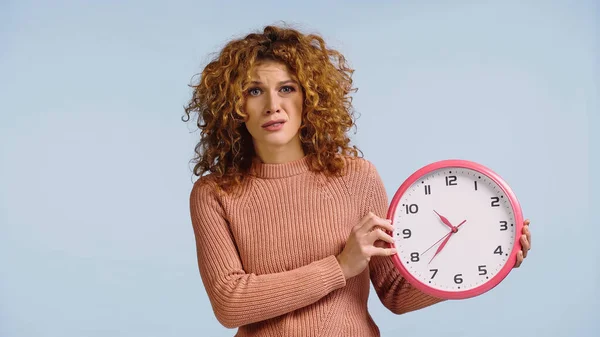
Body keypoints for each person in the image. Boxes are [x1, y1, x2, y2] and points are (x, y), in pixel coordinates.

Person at [182, 24, 532, 336]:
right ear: (233, 104)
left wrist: (487, 265)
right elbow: (230, 303)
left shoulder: (357, 177)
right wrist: (338, 267)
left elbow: (395, 291)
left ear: (309, 96)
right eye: (254, 91)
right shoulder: (215, 193)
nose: (273, 105)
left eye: (287, 88)